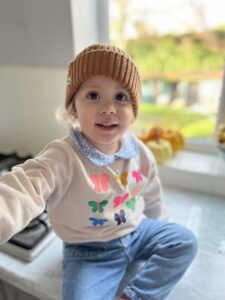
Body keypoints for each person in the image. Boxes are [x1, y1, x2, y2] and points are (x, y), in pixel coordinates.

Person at [0, 44, 197, 300]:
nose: (108, 108)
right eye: (93, 95)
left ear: (134, 110)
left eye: (121, 97)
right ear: (74, 108)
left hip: (137, 232)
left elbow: (151, 190)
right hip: (88, 253)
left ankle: (135, 296)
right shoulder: (63, 155)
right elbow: (23, 188)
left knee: (185, 241)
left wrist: (158, 221)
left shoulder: (138, 150)